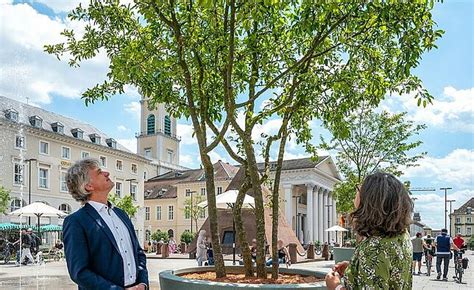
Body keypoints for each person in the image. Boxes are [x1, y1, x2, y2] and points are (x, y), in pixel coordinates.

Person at [63, 158, 148, 289]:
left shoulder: (122, 214)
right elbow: (79, 272)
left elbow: (138, 253)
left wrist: (143, 283)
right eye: (99, 172)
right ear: (88, 186)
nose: (106, 173)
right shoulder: (76, 221)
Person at [325, 172, 413, 289]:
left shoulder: (374, 249)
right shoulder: (402, 235)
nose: (356, 193)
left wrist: (335, 286)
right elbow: (389, 272)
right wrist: (355, 268)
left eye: (359, 189)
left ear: (370, 201)